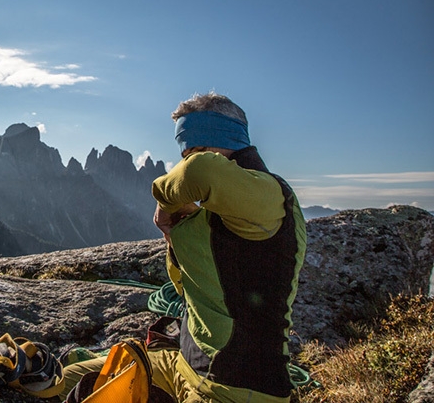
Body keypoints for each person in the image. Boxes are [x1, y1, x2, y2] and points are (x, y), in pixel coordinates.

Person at [62, 92, 307, 402]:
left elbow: (198, 173)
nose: (185, 157)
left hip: (231, 389)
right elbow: (189, 285)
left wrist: (164, 203)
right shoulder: (217, 210)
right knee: (62, 379)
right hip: (181, 364)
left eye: (190, 149)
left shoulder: (268, 197)